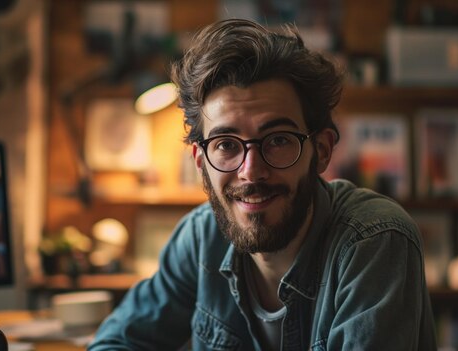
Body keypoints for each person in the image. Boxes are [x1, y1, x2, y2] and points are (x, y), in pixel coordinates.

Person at [88, 19, 436, 350]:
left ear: (322, 150)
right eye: (226, 144)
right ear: (200, 162)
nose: (251, 172)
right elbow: (115, 342)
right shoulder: (199, 239)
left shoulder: (373, 240)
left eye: (278, 140)